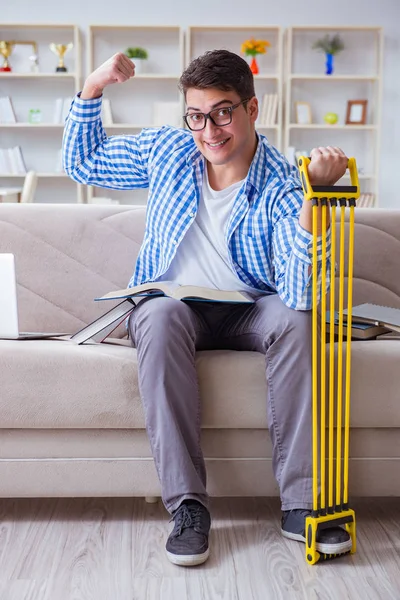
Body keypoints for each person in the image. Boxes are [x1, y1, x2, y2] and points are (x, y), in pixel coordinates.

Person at [63, 49, 351, 567]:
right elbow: (83, 162)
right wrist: (93, 87)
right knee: (156, 311)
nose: (209, 130)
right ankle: (188, 508)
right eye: (196, 115)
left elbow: (300, 293)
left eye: (222, 111)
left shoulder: (285, 185)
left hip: (249, 310)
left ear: (252, 108)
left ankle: (303, 505)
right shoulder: (169, 151)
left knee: (296, 317)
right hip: (176, 310)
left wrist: (316, 202)